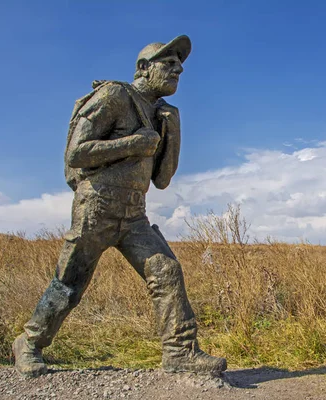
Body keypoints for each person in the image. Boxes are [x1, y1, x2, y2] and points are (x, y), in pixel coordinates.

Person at [12, 35, 227, 378]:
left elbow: (162, 179)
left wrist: (173, 131)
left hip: (134, 214)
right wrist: (133, 143)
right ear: (144, 67)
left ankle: (180, 353)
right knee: (70, 284)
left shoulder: (161, 114)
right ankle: (29, 343)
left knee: (166, 271)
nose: (178, 68)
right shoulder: (115, 95)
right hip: (96, 207)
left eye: (179, 64)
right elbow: (76, 153)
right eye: (168, 62)